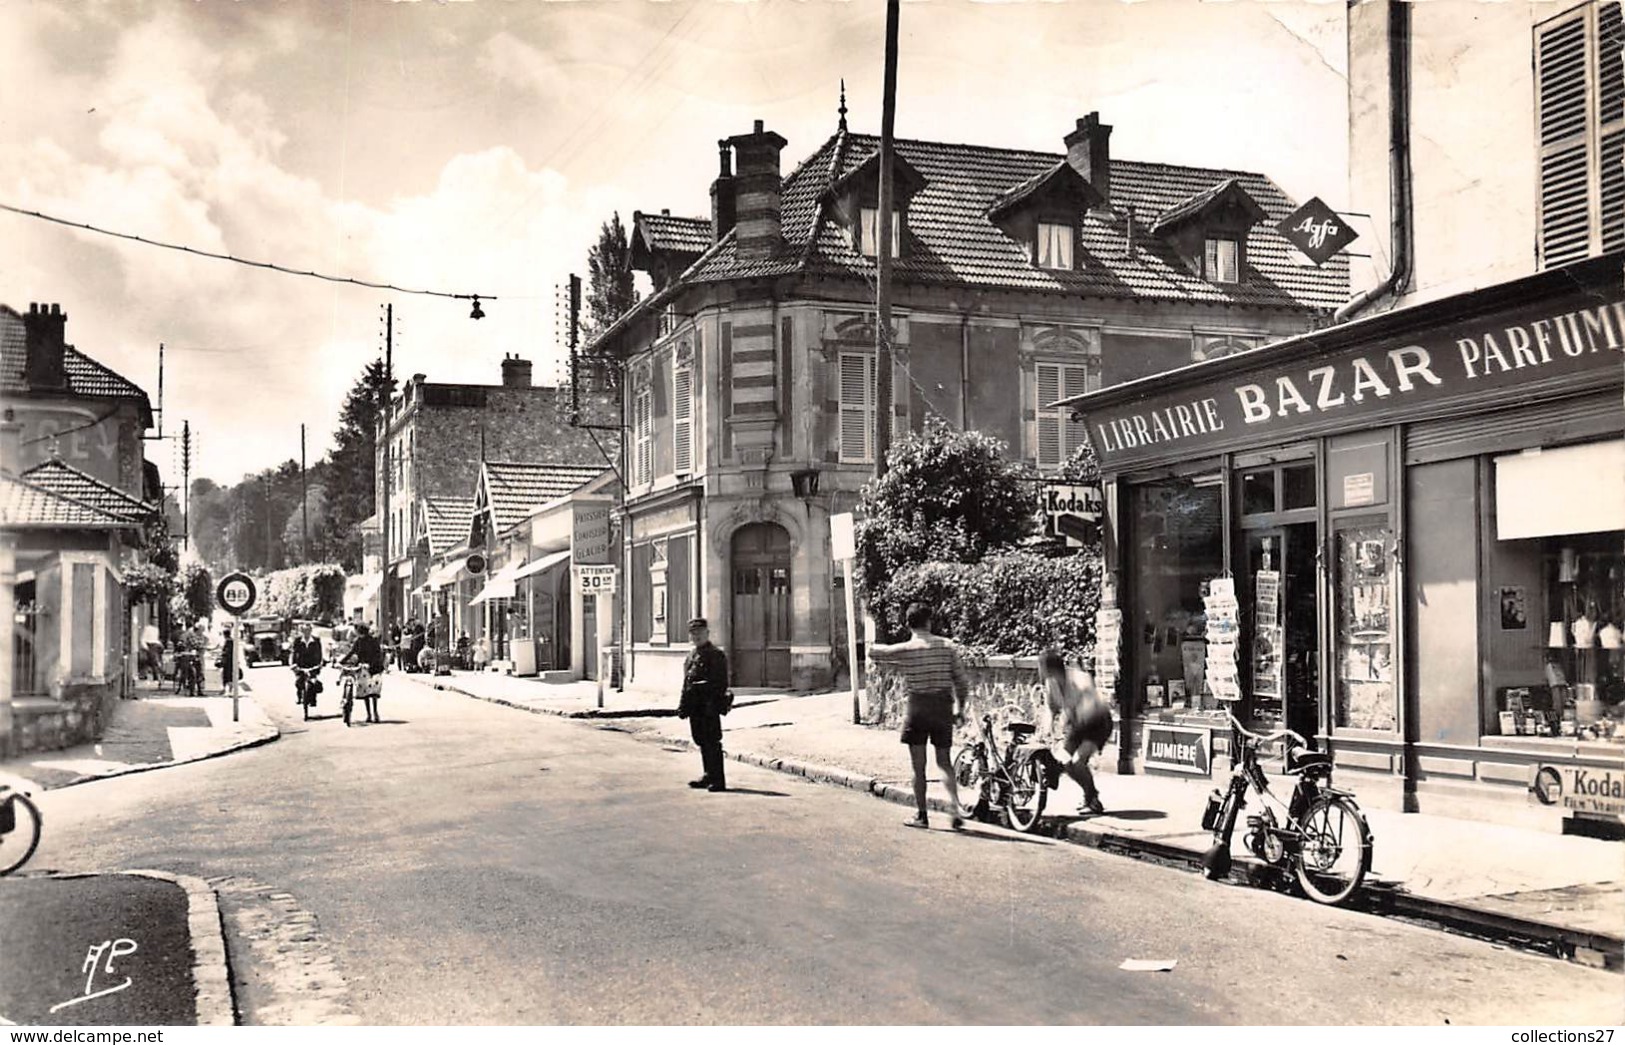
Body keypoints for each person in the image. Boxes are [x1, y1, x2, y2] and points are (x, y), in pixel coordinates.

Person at [867, 603, 968, 831]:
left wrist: (872, 647)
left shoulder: (907, 649)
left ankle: (922, 816)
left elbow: (878, 653)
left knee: (918, 766)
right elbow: (961, 682)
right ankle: (954, 806)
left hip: (918, 707)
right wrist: (960, 709)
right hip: (942, 705)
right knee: (944, 761)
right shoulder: (947, 647)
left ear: (908, 624)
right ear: (929, 622)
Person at [1038, 648, 1111, 817]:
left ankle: (1093, 800)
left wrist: (1070, 718)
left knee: (1078, 761)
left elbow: (1092, 704)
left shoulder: (1080, 679)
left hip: (1097, 722)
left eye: (1042, 667)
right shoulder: (1051, 684)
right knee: (1065, 763)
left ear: (1052, 668)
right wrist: (1046, 728)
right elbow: (1051, 709)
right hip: (1076, 725)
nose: (1041, 672)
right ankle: (1090, 796)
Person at [677, 617, 730, 792]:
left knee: (712, 741)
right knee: (700, 739)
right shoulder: (692, 655)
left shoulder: (715, 655)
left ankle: (718, 780)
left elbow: (721, 682)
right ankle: (708, 774)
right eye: (693, 633)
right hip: (695, 706)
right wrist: (683, 706)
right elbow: (687, 682)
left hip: (709, 705)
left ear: (707, 633)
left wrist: (705, 691)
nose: (696, 636)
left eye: (699, 633)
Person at [344, 622, 387, 724]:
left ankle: (373, 713)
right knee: (367, 693)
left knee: (371, 693)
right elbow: (351, 652)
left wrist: (370, 664)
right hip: (366, 669)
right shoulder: (359, 641)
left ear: (360, 631)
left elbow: (378, 655)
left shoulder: (370, 641)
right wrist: (341, 661)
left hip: (373, 669)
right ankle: (371, 714)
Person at [290, 622, 324, 708]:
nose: (306, 632)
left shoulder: (316, 640)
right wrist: (293, 664)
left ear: (311, 631)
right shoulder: (297, 640)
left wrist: (320, 663)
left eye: (308, 630)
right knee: (299, 681)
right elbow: (294, 653)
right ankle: (299, 697)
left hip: (313, 664)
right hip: (301, 664)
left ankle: (313, 699)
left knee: (313, 682)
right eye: (304, 630)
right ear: (302, 631)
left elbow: (319, 653)